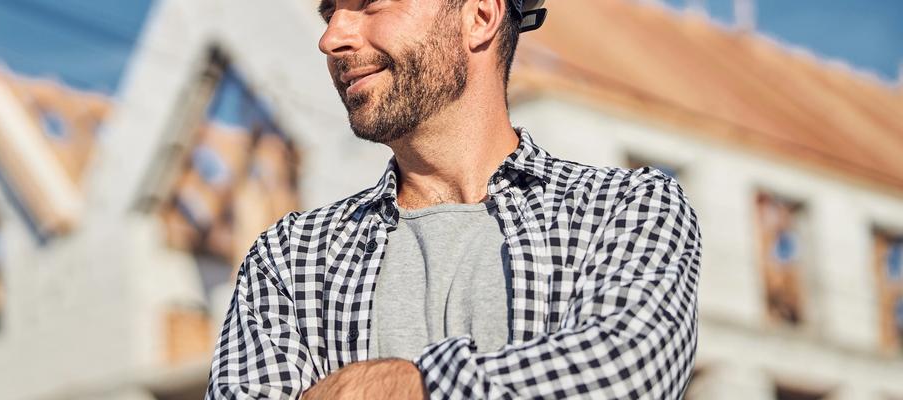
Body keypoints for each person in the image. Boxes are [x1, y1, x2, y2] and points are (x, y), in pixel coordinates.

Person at [206, 0, 701, 398]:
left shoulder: (624, 209)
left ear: (480, 16)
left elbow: (622, 373)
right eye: (329, 11)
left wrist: (405, 385)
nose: (331, 38)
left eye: (370, 3)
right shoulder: (293, 257)